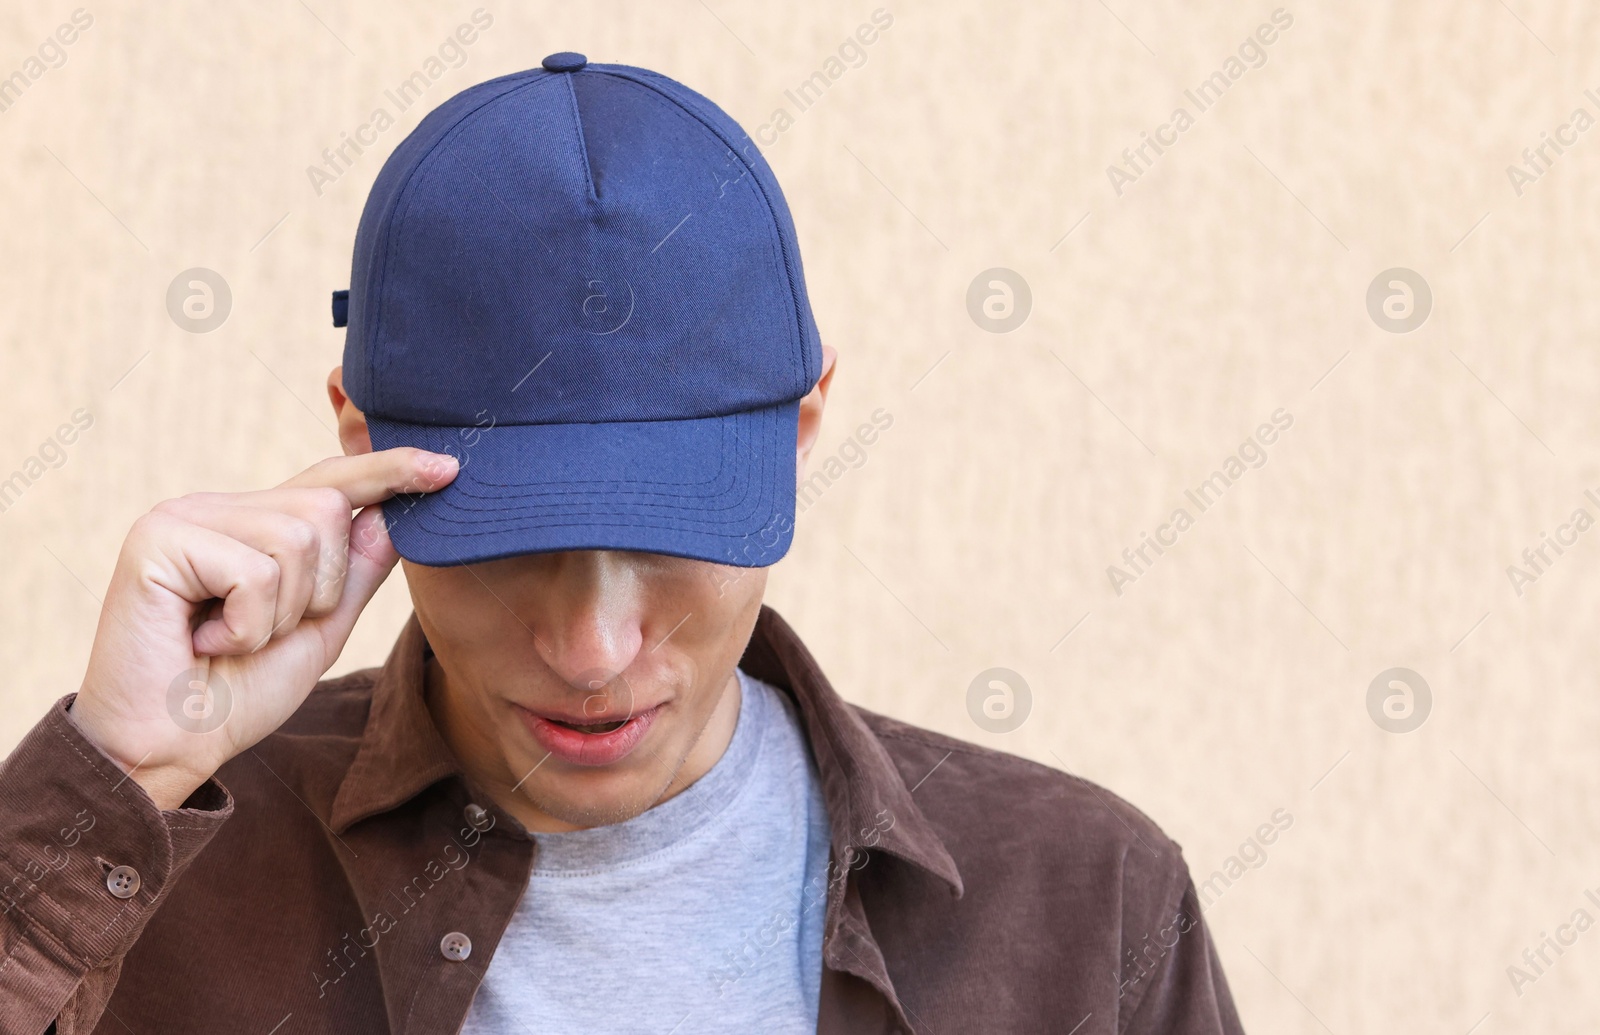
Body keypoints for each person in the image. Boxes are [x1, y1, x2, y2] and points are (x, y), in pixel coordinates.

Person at [0, 53, 1243, 1035]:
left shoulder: (1087, 903)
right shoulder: (148, 874)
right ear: (356, 440)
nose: (591, 650)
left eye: (666, 532)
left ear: (802, 426)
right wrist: (112, 775)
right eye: (505, 538)